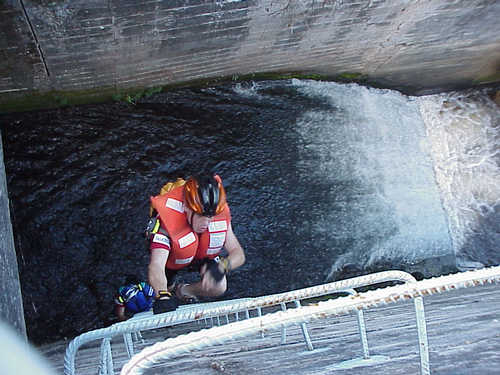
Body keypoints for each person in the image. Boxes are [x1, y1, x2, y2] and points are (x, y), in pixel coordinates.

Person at [147, 173, 245, 313]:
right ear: (186, 208)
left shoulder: (217, 212)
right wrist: (162, 295)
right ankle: (171, 288)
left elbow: (238, 253)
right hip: (173, 256)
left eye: (210, 217)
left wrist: (222, 267)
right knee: (165, 288)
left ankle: (183, 290)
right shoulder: (166, 224)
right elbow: (156, 265)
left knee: (219, 286)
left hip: (202, 255)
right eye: (200, 216)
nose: (206, 223)